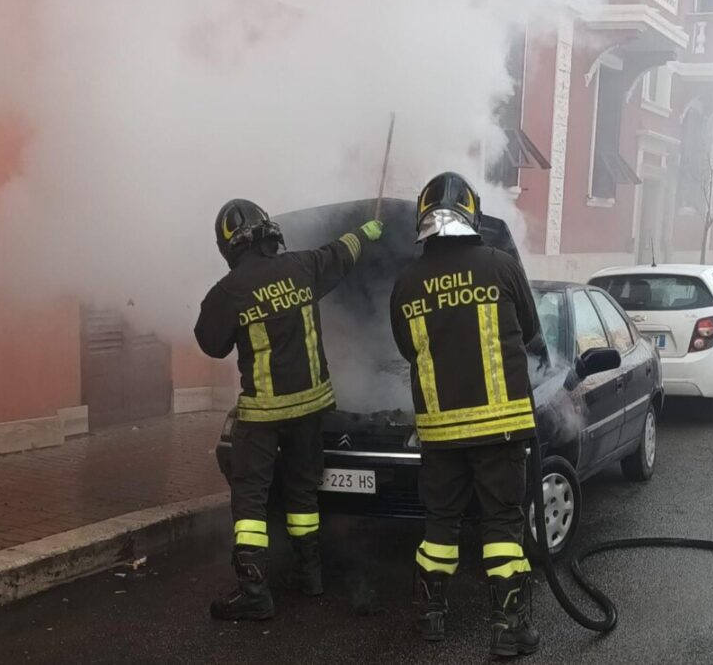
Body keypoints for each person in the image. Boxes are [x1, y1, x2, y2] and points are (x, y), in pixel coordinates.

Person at [195, 198, 383, 620]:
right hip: (311, 409)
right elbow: (342, 252)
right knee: (302, 492)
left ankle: (254, 592)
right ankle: (309, 574)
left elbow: (211, 343)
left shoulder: (229, 291)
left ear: (229, 246)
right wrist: (366, 233)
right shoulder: (303, 266)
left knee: (250, 500)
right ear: (268, 232)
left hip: (263, 414)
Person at [389, 173, 544, 657]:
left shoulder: (407, 282)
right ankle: (508, 628)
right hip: (501, 429)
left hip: (440, 434)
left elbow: (406, 349)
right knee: (502, 526)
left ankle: (431, 616)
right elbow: (531, 330)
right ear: (472, 215)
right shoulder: (501, 266)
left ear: (422, 220)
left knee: (440, 524)